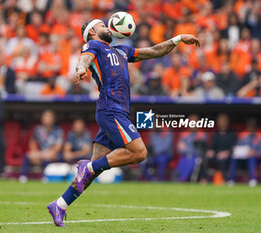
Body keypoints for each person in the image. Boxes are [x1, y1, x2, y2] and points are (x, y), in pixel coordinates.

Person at [47, 19, 200, 226]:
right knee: (139, 153)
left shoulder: (121, 51)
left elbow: (155, 51)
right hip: (111, 110)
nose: (106, 26)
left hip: (117, 111)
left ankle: (60, 204)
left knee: (91, 174)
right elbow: (84, 59)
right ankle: (89, 167)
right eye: (102, 25)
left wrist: (179, 38)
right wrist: (80, 69)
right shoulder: (93, 45)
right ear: (92, 31)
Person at [19, 109, 63, 183]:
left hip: (53, 154)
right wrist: (36, 152)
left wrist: (49, 153)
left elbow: (58, 147)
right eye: (46, 117)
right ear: (42, 119)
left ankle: (46, 176)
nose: (47, 119)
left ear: (53, 119)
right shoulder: (38, 129)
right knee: (28, 155)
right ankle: (23, 176)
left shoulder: (58, 130)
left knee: (49, 157)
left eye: (49, 117)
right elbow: (32, 142)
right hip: (41, 153)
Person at [228, 119, 261, 187]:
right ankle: (231, 180)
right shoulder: (244, 134)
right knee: (233, 158)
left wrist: (254, 152)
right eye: (250, 126)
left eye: (253, 126)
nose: (251, 128)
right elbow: (239, 146)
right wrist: (236, 149)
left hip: (256, 159)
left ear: (256, 127)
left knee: (251, 158)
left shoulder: (260, 135)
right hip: (243, 158)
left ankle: (253, 179)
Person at [201, 114, 237, 184]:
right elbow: (212, 146)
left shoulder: (232, 134)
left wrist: (227, 152)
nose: (222, 123)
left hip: (227, 156)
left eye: (224, 121)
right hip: (216, 154)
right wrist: (210, 151)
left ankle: (224, 179)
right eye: (220, 121)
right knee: (204, 158)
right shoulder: (216, 134)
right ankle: (203, 179)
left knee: (222, 160)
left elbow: (234, 147)